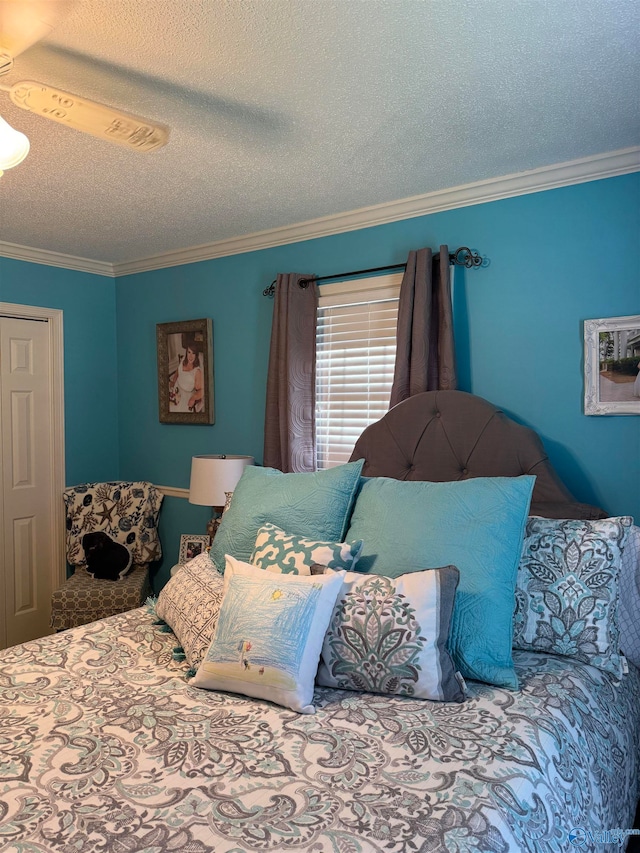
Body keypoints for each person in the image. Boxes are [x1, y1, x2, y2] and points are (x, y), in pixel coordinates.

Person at [169, 339, 203, 412]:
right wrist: (173, 381)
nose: (190, 356)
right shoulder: (184, 359)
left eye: (193, 353)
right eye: (189, 352)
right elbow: (178, 371)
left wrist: (193, 398)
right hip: (175, 389)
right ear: (186, 352)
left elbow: (202, 390)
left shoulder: (197, 371)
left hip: (185, 396)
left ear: (196, 355)